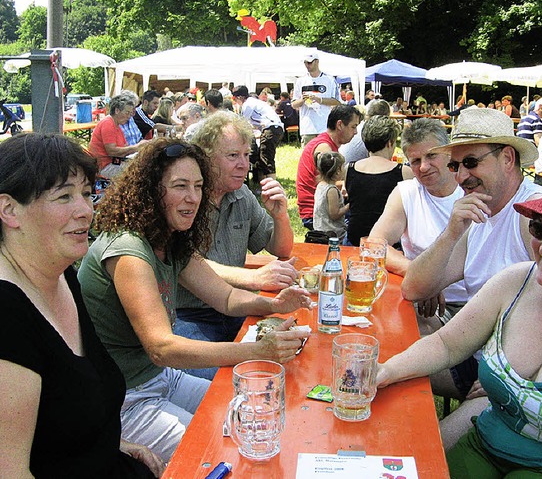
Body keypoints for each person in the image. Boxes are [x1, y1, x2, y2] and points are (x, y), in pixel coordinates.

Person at [378, 166, 542, 477]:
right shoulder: (516, 281)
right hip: (486, 444)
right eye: (539, 230)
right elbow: (446, 344)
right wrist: (386, 371)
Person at [78, 139, 312, 462]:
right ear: (150, 191)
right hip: (126, 399)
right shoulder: (128, 249)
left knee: (254, 415)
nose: (193, 198)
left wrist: (273, 305)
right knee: (218, 451)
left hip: (161, 379)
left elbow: (227, 298)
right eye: (180, 186)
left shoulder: (169, 240)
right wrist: (257, 351)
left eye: (199, 186)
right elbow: (162, 348)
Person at [0, 133, 163, 478]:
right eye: (64, 197)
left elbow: (58, 421)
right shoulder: (7, 316)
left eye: (87, 194)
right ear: (9, 209)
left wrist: (112, 443)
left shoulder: (60, 275)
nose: (86, 210)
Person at [402, 108, 542, 447]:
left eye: (471, 162)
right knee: (386, 348)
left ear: (508, 158)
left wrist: (511, 374)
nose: (461, 175)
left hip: (518, 379)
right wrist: (452, 231)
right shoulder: (479, 211)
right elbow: (414, 288)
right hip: (476, 359)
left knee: (430, 454)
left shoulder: (534, 215)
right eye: (455, 165)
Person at [174, 111, 298, 379]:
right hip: (187, 315)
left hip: (234, 307)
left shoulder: (240, 195)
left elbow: (282, 250)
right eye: (233, 156)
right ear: (204, 158)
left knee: (288, 362)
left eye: (246, 155)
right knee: (226, 381)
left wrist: (280, 216)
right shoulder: (186, 199)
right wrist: (254, 277)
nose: (244, 164)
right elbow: (187, 263)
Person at [369, 118, 467, 326]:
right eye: (415, 161)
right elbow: (374, 245)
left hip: (474, 302)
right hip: (424, 303)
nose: (423, 167)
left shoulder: (470, 189)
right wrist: (420, 276)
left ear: (449, 153)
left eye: (431, 155)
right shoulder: (407, 193)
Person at [344, 115, 412, 245]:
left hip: (354, 239)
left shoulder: (349, 168)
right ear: (390, 142)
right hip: (389, 243)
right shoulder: (403, 172)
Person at [296, 105, 361, 230]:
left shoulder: (325, 142)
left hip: (316, 207)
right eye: (353, 126)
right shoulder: (325, 149)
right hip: (316, 213)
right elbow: (330, 185)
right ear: (340, 125)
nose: (355, 132)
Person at [232, 85, 284, 181]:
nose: (235, 102)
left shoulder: (247, 105)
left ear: (239, 97)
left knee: (266, 158)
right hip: (275, 128)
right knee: (262, 156)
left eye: (235, 99)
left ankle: (271, 185)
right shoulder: (254, 102)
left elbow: (242, 124)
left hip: (271, 128)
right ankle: (261, 182)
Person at [89, 94, 147, 179]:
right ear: (117, 110)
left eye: (130, 113)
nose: (129, 116)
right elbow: (112, 151)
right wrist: (137, 147)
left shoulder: (117, 125)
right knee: (141, 173)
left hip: (114, 163)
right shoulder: (108, 123)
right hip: (104, 167)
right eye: (127, 113)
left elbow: (124, 147)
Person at [292, 50, 342, 145]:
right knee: (308, 157)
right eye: (305, 63)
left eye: (310, 62)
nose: (307, 65)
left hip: (324, 126)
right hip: (307, 128)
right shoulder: (300, 81)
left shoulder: (329, 79)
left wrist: (319, 100)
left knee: (325, 155)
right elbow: (294, 104)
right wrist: (303, 99)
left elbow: (337, 102)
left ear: (317, 62)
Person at [313, 151, 349, 241]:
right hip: (332, 233)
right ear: (337, 172)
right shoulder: (331, 190)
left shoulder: (321, 185)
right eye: (342, 167)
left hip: (320, 229)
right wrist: (349, 205)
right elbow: (334, 214)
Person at [341, 100, 389, 164]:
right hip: (353, 171)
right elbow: (382, 163)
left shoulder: (359, 126)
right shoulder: (376, 133)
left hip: (343, 167)